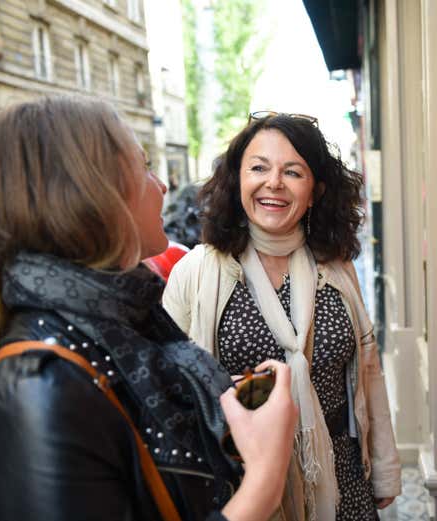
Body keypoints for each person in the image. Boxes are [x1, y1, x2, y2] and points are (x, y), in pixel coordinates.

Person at [0, 96, 297, 521]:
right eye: (144, 167)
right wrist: (265, 477)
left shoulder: (120, 316)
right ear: (92, 197)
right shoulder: (39, 388)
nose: (162, 186)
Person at [163, 112, 401, 521]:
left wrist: (384, 468)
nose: (273, 182)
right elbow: (168, 384)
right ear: (237, 178)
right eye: (258, 168)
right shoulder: (197, 271)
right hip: (244, 488)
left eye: (293, 172)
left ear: (315, 191)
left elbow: (369, 370)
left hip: (343, 480)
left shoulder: (337, 268)